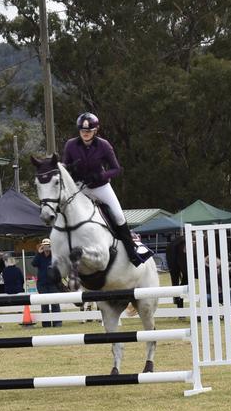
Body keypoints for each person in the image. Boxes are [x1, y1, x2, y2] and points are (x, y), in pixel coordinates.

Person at [62, 111, 148, 266]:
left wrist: (100, 176)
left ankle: (132, 252)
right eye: (82, 131)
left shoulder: (103, 145)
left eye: (88, 131)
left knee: (119, 216)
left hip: (100, 187)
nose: (85, 134)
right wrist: (69, 168)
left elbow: (116, 169)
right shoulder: (70, 145)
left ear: (95, 130)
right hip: (80, 187)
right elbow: (65, 167)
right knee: (66, 211)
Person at [31, 238, 61, 328]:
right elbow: (33, 264)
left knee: (55, 303)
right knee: (44, 304)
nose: (46, 247)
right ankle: (46, 324)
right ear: (42, 246)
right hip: (42, 284)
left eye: (48, 245)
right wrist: (38, 253)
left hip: (53, 283)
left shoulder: (54, 255)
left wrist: (53, 252)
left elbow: (59, 263)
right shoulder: (39, 256)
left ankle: (57, 323)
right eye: (44, 245)